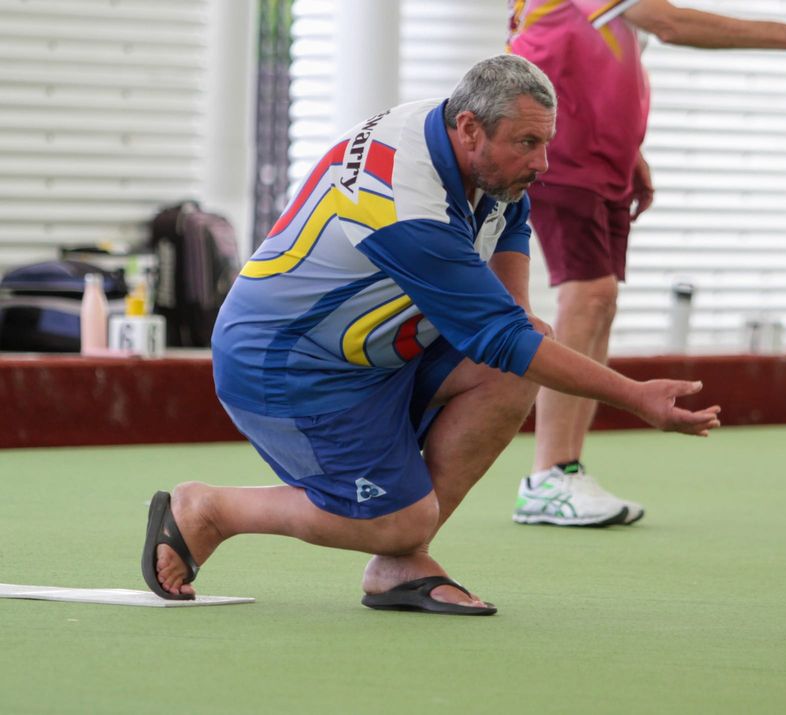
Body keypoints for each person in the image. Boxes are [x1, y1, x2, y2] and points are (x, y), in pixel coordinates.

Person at [141, 54, 722, 614]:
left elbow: (510, 259)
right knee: (405, 513)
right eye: (527, 143)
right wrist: (635, 396)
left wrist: (516, 330)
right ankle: (211, 510)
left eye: (546, 142)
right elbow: (501, 337)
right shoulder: (405, 203)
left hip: (373, 351)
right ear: (470, 128)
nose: (543, 163)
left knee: (520, 353)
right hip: (286, 364)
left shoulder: (467, 146)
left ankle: (399, 565)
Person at [508, 0, 786, 527]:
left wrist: (631, 151)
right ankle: (548, 475)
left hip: (602, 158)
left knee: (600, 303)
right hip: (564, 155)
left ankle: (567, 470)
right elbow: (669, 24)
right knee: (589, 294)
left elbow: (602, 60)